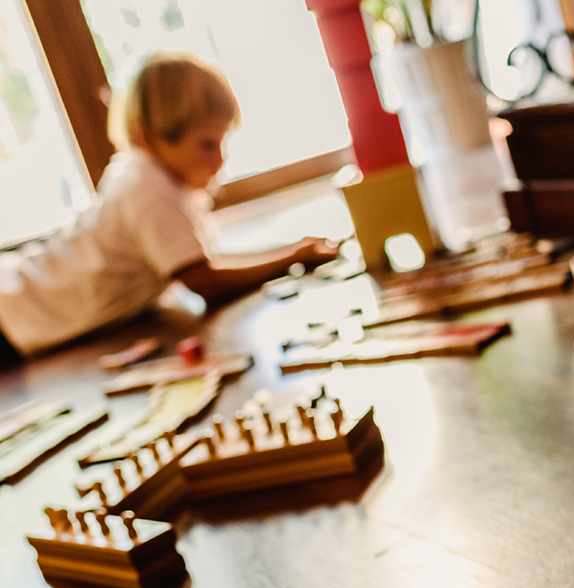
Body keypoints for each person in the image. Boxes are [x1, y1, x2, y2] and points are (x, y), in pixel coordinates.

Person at [0, 52, 339, 365]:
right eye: (207, 144)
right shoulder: (145, 187)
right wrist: (293, 256)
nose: (221, 159)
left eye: (223, 141)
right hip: (10, 318)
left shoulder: (155, 175)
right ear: (148, 138)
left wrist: (294, 250)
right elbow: (204, 281)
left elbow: (203, 264)